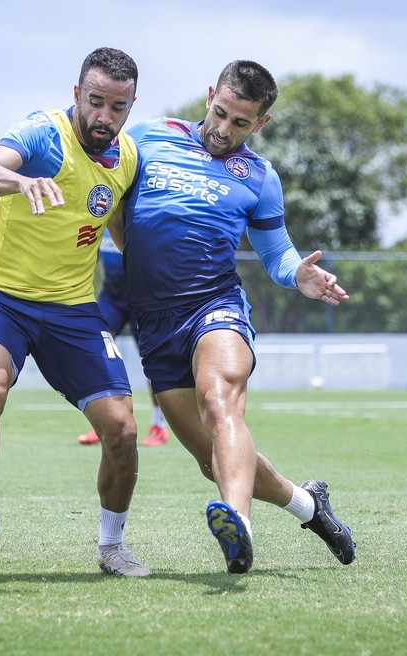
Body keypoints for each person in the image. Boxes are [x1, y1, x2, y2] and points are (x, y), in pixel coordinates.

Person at [110, 60, 356, 574]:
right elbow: (103, 192)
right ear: (208, 96)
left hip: (214, 306)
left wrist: (298, 275)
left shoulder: (260, 177)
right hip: (153, 321)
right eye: (220, 113)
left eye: (240, 123)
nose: (224, 130)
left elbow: (277, 252)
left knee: (219, 399)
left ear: (260, 124)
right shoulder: (147, 138)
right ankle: (310, 506)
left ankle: (238, 526)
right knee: (212, 461)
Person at [0, 47, 149, 577]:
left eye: (117, 107)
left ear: (131, 106)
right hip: (3, 294)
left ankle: (112, 546)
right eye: (95, 103)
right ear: (76, 96)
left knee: (123, 431)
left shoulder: (127, 158)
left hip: (72, 308)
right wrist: (19, 182)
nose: (104, 117)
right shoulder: (42, 134)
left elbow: (116, 226)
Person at [76, 230, 170, 447]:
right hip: (112, 297)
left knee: (152, 365)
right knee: (95, 352)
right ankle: (104, 422)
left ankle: (159, 426)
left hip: (144, 299)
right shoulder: (102, 213)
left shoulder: (137, 216)